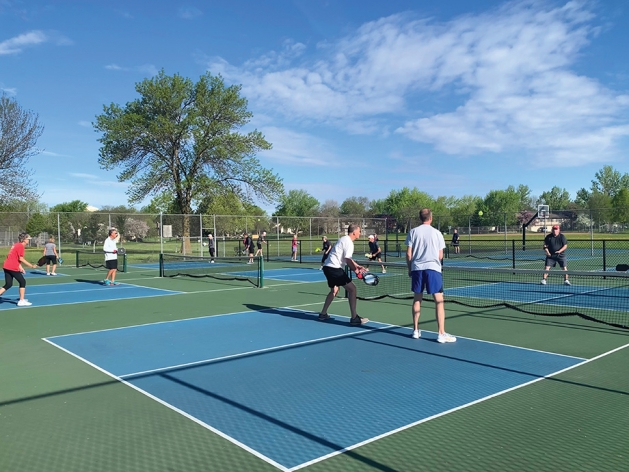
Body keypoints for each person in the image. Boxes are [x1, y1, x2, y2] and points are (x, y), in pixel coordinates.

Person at [406, 209, 456, 343]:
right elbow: (440, 256)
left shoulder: (413, 232)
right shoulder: (437, 233)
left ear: (420, 217)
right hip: (433, 269)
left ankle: (415, 330)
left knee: (417, 299)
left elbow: (408, 254)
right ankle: (441, 334)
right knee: (439, 301)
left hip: (417, 269)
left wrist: (410, 268)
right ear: (431, 218)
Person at [319, 224, 369, 325]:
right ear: (354, 232)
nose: (360, 233)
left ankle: (323, 314)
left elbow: (347, 259)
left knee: (334, 290)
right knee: (352, 289)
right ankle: (354, 318)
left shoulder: (344, 239)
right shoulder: (349, 242)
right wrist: (356, 270)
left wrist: (357, 266)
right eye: (359, 231)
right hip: (334, 268)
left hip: (327, 267)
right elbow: (347, 259)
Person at [0, 233, 37, 306]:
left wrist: (20, 267)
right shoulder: (21, 246)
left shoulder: (16, 245)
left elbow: (15, 257)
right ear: (24, 239)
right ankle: (21, 300)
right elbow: (21, 258)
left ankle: (21, 299)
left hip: (6, 266)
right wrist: (31, 265)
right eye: (28, 239)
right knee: (22, 282)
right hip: (12, 267)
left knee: (8, 284)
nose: (28, 241)